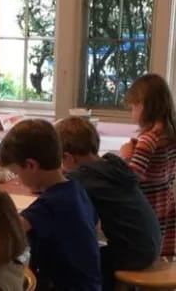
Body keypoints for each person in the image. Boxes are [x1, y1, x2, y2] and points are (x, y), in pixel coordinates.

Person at [55, 116, 161, 291]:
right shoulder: (112, 165)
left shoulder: (84, 178)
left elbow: (59, 191)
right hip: (151, 243)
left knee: (77, 263)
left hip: (134, 252)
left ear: (68, 158)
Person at [0, 119, 101, 291]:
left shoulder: (49, 205)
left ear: (31, 165)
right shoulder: (76, 189)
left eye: (16, 173)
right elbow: (96, 225)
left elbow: (6, 231)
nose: (17, 179)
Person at [120, 73, 176, 257]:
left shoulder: (148, 139)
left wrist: (126, 156)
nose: (132, 112)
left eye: (134, 106)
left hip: (148, 207)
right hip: (165, 204)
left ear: (148, 107)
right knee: (161, 257)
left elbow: (131, 178)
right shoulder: (169, 134)